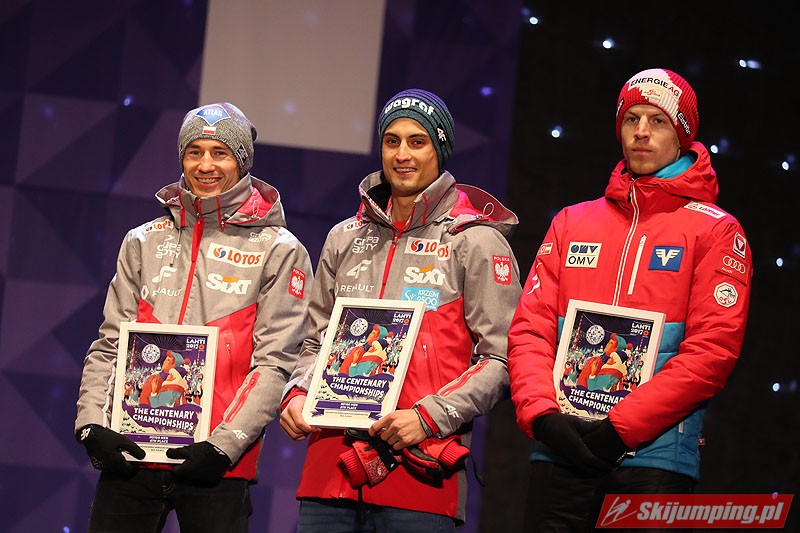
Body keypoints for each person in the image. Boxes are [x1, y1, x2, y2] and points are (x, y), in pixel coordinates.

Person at [507, 68, 753, 531]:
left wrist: (621, 429)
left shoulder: (716, 230)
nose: (641, 131)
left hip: (655, 458)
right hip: (560, 449)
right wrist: (541, 417)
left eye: (658, 121)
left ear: (682, 134)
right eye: (631, 119)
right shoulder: (571, 222)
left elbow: (711, 351)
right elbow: (529, 330)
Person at [279, 88, 522, 531]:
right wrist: (297, 393)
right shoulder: (344, 237)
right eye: (392, 141)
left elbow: (502, 358)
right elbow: (314, 343)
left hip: (420, 471)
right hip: (329, 470)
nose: (402, 154)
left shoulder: (476, 241)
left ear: (439, 150)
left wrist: (428, 417)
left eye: (417, 141)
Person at [74, 102, 313, 532]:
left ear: (242, 161)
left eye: (220, 153)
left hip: (216, 465)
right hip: (132, 455)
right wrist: (91, 424)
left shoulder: (280, 250)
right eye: (194, 152)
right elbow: (110, 344)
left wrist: (224, 446)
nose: (205, 165)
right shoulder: (143, 241)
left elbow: (275, 363)